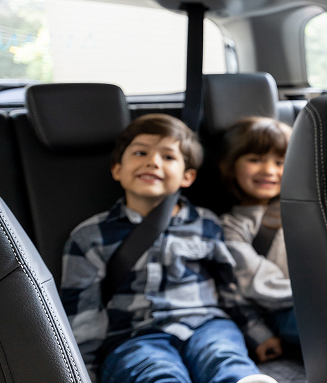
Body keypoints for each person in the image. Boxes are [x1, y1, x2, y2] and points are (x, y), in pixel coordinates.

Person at [60, 113, 279, 383]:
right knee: (155, 372)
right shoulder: (89, 236)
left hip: (207, 324)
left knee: (224, 358)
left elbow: (228, 289)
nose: (152, 161)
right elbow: (83, 314)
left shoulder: (206, 224)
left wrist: (258, 332)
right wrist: (83, 371)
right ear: (117, 169)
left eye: (168, 157)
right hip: (134, 335)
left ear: (187, 177)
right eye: (140, 153)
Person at [219, 117, 299, 362]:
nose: (269, 170)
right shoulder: (230, 226)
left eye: (280, 162)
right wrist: (326, 296)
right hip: (283, 311)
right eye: (255, 160)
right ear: (230, 166)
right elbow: (257, 283)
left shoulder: (304, 208)